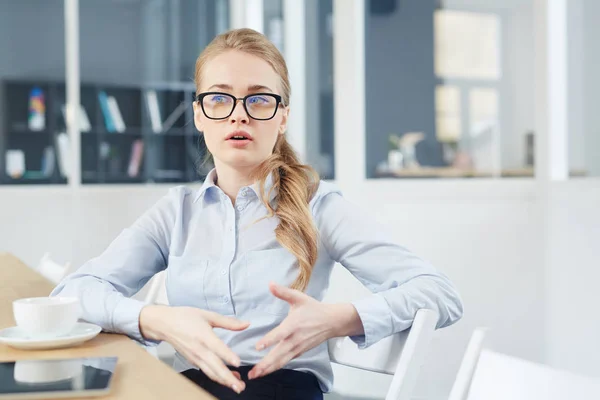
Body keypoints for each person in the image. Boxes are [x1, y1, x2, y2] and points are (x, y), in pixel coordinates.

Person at [51, 28, 463, 400]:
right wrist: (156, 320)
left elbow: (440, 293)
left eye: (259, 98)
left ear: (282, 117)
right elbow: (72, 295)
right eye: (218, 97)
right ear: (199, 114)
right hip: (188, 389)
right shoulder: (175, 213)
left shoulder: (319, 206)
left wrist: (339, 319)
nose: (239, 114)